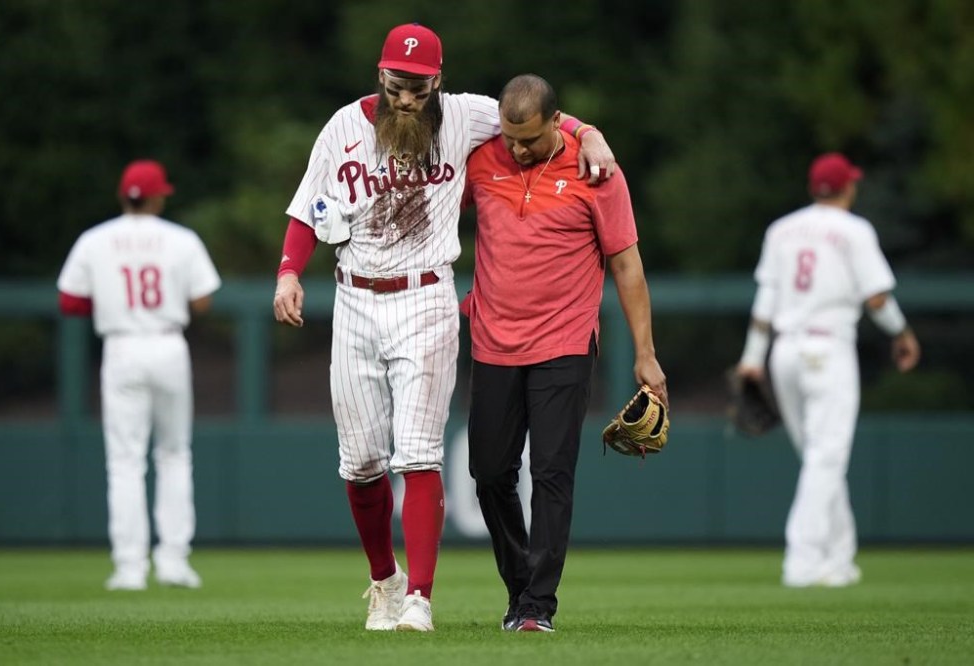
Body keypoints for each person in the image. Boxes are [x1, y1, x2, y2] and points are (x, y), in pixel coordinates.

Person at [271, 24, 616, 632]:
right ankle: (385, 581)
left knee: (420, 453)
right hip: (353, 298)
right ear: (382, 76)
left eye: (419, 87)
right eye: (397, 85)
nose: (407, 99)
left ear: (438, 82)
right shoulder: (342, 128)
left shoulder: (463, 117)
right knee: (359, 462)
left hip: (425, 296)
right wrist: (288, 272)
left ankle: (420, 599)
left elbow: (537, 115)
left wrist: (589, 135)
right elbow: (307, 208)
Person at [461, 74, 667, 632]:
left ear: (557, 123)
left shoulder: (596, 171)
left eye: (529, 139)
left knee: (552, 472)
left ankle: (536, 608)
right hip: (493, 342)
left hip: (564, 343)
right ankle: (519, 586)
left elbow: (626, 266)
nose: (518, 149)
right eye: (510, 139)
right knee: (488, 473)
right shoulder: (481, 160)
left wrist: (645, 355)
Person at [736, 152, 920, 588]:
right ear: (847, 188)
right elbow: (876, 298)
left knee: (819, 461)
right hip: (828, 348)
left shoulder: (781, 230)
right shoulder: (854, 230)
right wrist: (902, 333)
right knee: (826, 458)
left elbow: (766, 301)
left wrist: (751, 356)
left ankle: (838, 559)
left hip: (783, 353)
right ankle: (802, 562)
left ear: (811, 188)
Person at [57, 159, 222, 591]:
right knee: (173, 454)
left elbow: (70, 301)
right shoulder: (180, 239)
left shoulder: (96, 239)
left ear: (121, 195)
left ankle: (129, 568)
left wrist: (114, 305)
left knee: (124, 461)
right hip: (167, 343)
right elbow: (203, 300)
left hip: (122, 346)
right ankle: (173, 562)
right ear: (157, 196)